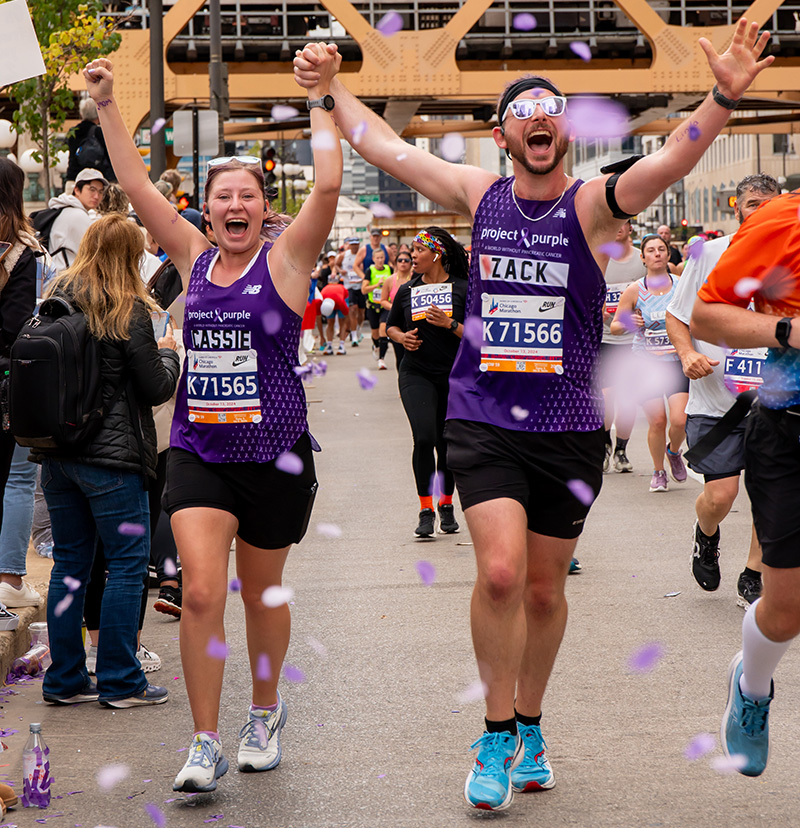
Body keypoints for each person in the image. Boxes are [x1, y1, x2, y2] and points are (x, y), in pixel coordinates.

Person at [295, 17, 773, 810]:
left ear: (564, 131)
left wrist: (723, 94)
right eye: (525, 109)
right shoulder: (479, 194)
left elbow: (673, 157)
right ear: (504, 134)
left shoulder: (593, 206)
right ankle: (490, 733)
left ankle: (529, 723)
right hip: (483, 418)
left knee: (546, 592)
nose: (542, 116)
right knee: (503, 572)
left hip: (568, 430)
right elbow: (385, 147)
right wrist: (332, 90)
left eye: (554, 106)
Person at [83, 43, 342, 792]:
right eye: (222, 196)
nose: (235, 207)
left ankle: (263, 711)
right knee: (200, 591)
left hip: (276, 454)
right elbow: (133, 181)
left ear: (264, 208)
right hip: (199, 450)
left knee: (262, 594)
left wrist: (323, 94)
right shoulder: (193, 258)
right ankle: (203, 742)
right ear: (207, 206)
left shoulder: (288, 261)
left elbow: (327, 183)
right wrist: (106, 101)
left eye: (247, 197)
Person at [35, 213, 180, 708]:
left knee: (70, 564)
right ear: (131, 256)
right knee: (125, 566)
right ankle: (120, 680)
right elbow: (157, 387)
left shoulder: (55, 301)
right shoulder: (128, 311)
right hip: (113, 461)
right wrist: (169, 353)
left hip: (56, 456)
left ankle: (65, 680)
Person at [691, 189, 800, 779]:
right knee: (784, 613)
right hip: (790, 432)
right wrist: (789, 332)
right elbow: (709, 316)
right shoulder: (785, 219)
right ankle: (752, 686)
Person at [665, 173, 778, 604]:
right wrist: (687, 355)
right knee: (721, 494)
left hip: (774, 404)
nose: (761, 213)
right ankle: (706, 533)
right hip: (715, 402)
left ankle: (753, 574)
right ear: (737, 208)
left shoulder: (793, 256)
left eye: (770, 205)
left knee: (770, 493)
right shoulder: (709, 253)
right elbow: (677, 316)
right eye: (753, 204)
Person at [386, 227, 468, 537]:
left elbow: (480, 333)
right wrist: (402, 337)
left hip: (454, 375)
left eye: (419, 250)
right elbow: (389, 327)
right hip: (415, 372)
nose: (411, 256)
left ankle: (446, 503)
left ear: (437, 254)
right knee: (424, 437)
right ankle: (425, 509)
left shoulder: (463, 288)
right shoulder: (407, 290)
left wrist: (451, 324)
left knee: (447, 443)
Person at [0, 158, 45, 612]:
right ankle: (10, 578)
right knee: (16, 477)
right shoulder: (18, 253)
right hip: (7, 380)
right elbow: (15, 328)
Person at [610, 234, 688, 493]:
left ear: (668, 255)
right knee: (657, 421)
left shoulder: (681, 285)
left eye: (661, 249)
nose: (656, 254)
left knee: (679, 420)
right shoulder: (635, 289)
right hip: (646, 363)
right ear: (642, 258)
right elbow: (616, 326)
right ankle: (658, 471)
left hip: (677, 360)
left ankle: (673, 452)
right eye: (651, 250)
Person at [600, 218, 643, 473]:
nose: (617, 227)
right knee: (606, 398)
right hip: (604, 338)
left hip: (633, 341)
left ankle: (621, 451)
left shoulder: (642, 259)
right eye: (612, 222)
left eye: (622, 222)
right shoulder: (600, 258)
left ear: (629, 227)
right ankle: (604, 445)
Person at [47, 168, 107, 273]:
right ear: (77, 190)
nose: (97, 196)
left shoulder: (66, 209)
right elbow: (95, 254)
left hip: (59, 278)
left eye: (100, 192)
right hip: (66, 282)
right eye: (92, 189)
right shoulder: (77, 215)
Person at [66, 97, 115, 184]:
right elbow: (109, 156)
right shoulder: (99, 132)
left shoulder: (72, 132)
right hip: (97, 179)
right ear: (98, 114)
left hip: (74, 178)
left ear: (82, 113)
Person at [380, 248, 413, 369]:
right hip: (397, 320)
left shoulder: (417, 279)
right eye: (400, 260)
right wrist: (395, 308)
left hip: (412, 319)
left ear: (411, 263)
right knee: (400, 356)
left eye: (406, 260)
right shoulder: (390, 280)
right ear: (396, 263)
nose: (403, 263)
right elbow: (383, 300)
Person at [362, 247, 392, 369]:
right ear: (373, 259)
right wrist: (377, 285)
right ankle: (376, 345)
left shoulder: (389, 269)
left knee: (383, 329)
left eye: (382, 258)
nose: (380, 260)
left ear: (384, 258)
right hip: (372, 305)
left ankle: (381, 359)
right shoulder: (370, 271)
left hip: (385, 304)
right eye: (377, 258)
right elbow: (364, 289)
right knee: (375, 333)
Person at [337, 236, 364, 345]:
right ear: (349, 245)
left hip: (361, 286)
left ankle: (358, 328)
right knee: (352, 310)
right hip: (349, 286)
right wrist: (340, 271)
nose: (354, 246)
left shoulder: (362, 254)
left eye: (356, 244)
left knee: (361, 312)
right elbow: (336, 264)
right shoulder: (344, 255)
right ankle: (354, 338)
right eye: (352, 244)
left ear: (358, 244)